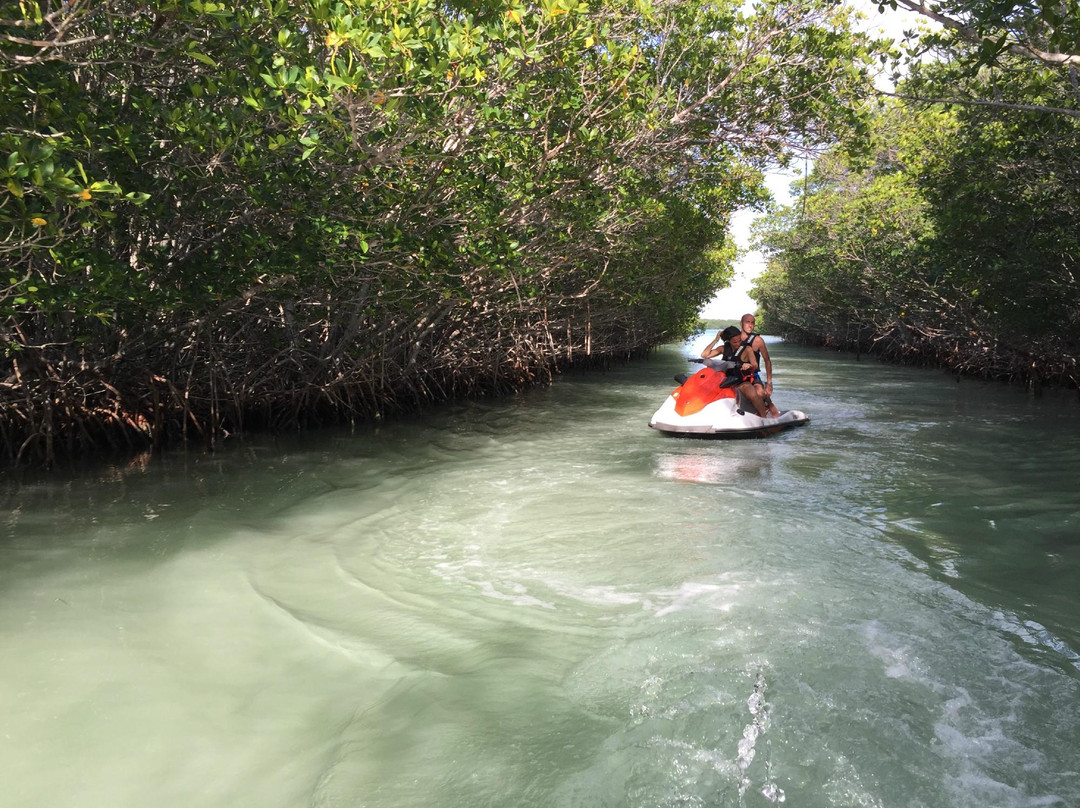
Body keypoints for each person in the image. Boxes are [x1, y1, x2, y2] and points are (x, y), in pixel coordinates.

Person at [735, 314, 780, 417]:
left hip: (752, 375)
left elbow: (767, 361)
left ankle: (769, 405)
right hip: (737, 375)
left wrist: (769, 383)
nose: (750, 325)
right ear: (741, 324)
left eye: (752, 323)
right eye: (747, 322)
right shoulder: (735, 339)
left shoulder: (758, 340)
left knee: (759, 392)